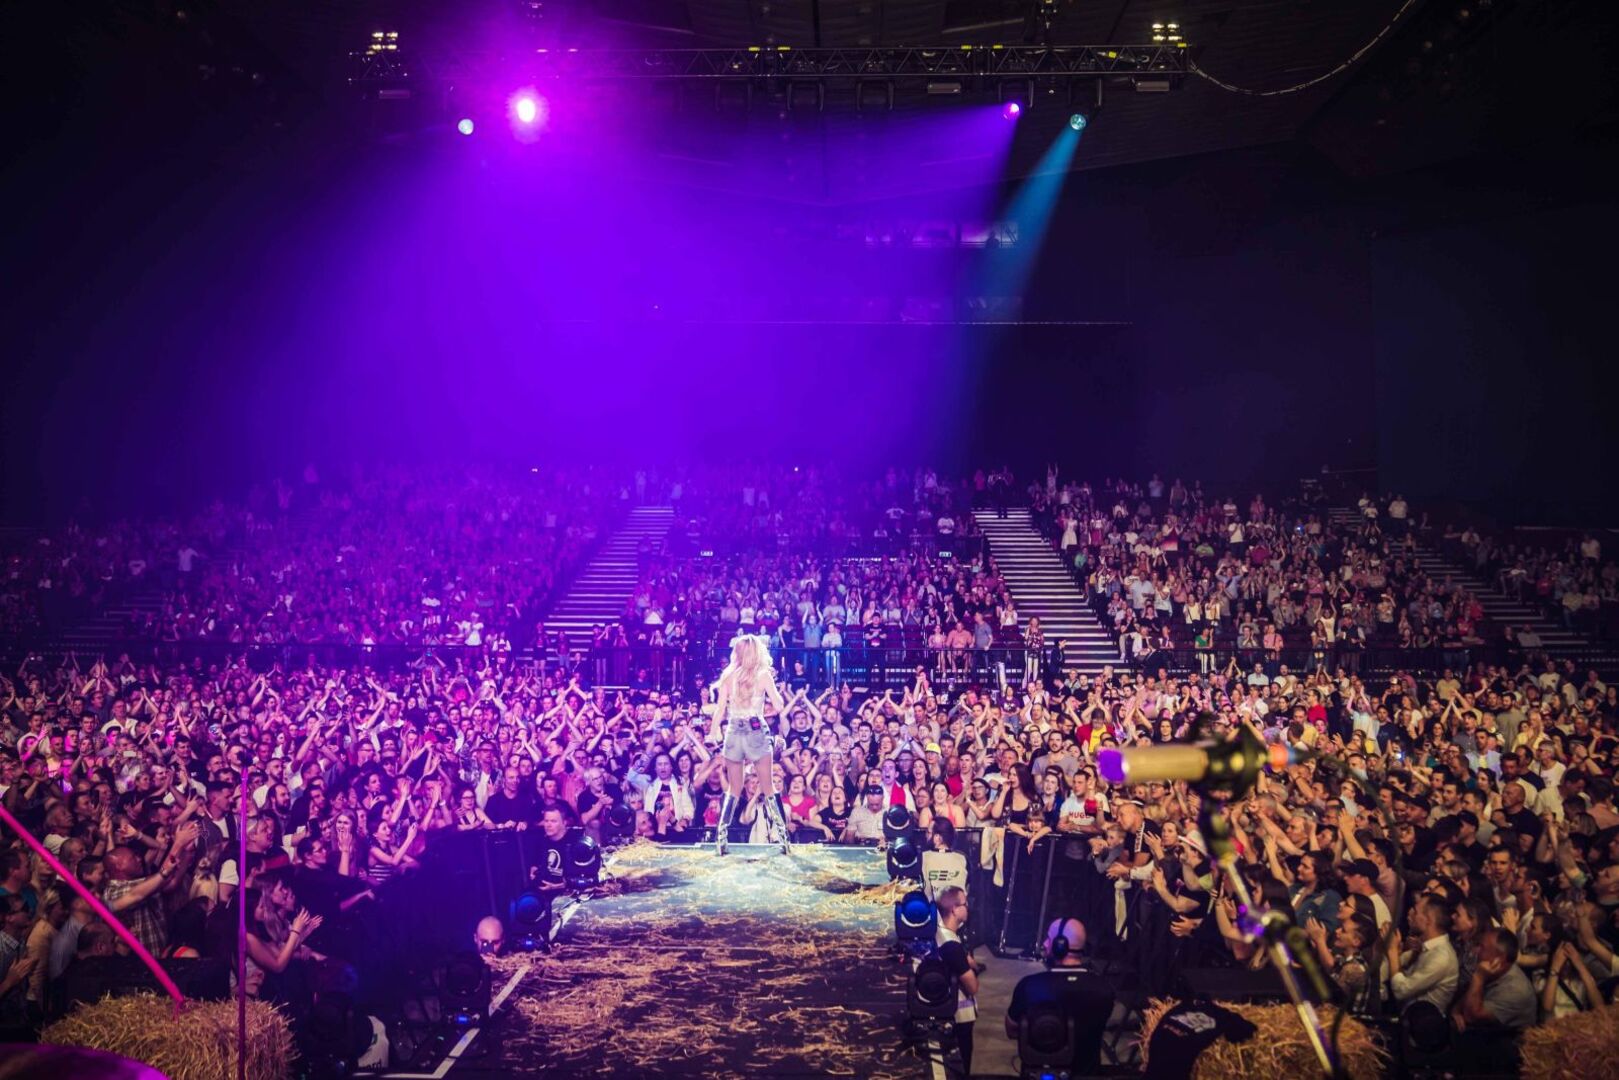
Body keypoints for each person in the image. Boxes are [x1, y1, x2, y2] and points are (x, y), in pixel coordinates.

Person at [709, 634, 790, 856]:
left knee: (734, 788)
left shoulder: (728, 675)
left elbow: (719, 710)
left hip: (733, 731)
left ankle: (721, 837)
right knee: (768, 786)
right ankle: (784, 838)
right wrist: (773, 695)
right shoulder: (763, 675)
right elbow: (779, 705)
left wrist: (713, 732)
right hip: (755, 730)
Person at [1005, 918, 1114, 1077]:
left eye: (1049, 939)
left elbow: (1011, 1030)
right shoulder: (1104, 988)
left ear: (1060, 945)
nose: (1044, 944)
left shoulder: (1029, 986)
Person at [932, 886, 979, 1077]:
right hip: (960, 1017)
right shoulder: (952, 946)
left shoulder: (940, 934)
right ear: (954, 909)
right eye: (965, 904)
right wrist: (973, 968)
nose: (968, 908)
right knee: (961, 1067)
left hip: (949, 1014)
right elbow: (972, 987)